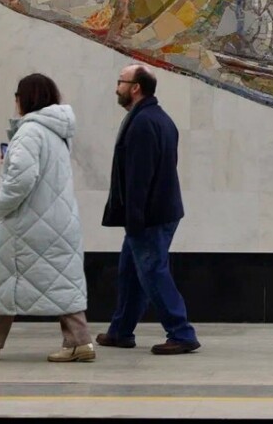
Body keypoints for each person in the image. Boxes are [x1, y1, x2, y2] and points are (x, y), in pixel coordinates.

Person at [0, 73, 95, 362]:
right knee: (62, 280)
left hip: (28, 222)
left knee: (7, 278)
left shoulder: (30, 131)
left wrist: (1, 205)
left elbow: (21, 179)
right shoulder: (57, 132)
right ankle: (79, 341)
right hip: (58, 220)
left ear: (25, 98)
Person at [97, 63, 200, 355]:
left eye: (121, 81)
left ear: (136, 87)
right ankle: (121, 331)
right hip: (159, 211)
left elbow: (139, 177)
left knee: (153, 272)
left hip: (149, 216)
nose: (117, 87)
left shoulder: (143, 123)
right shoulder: (160, 119)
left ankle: (181, 332)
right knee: (130, 272)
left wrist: (134, 219)